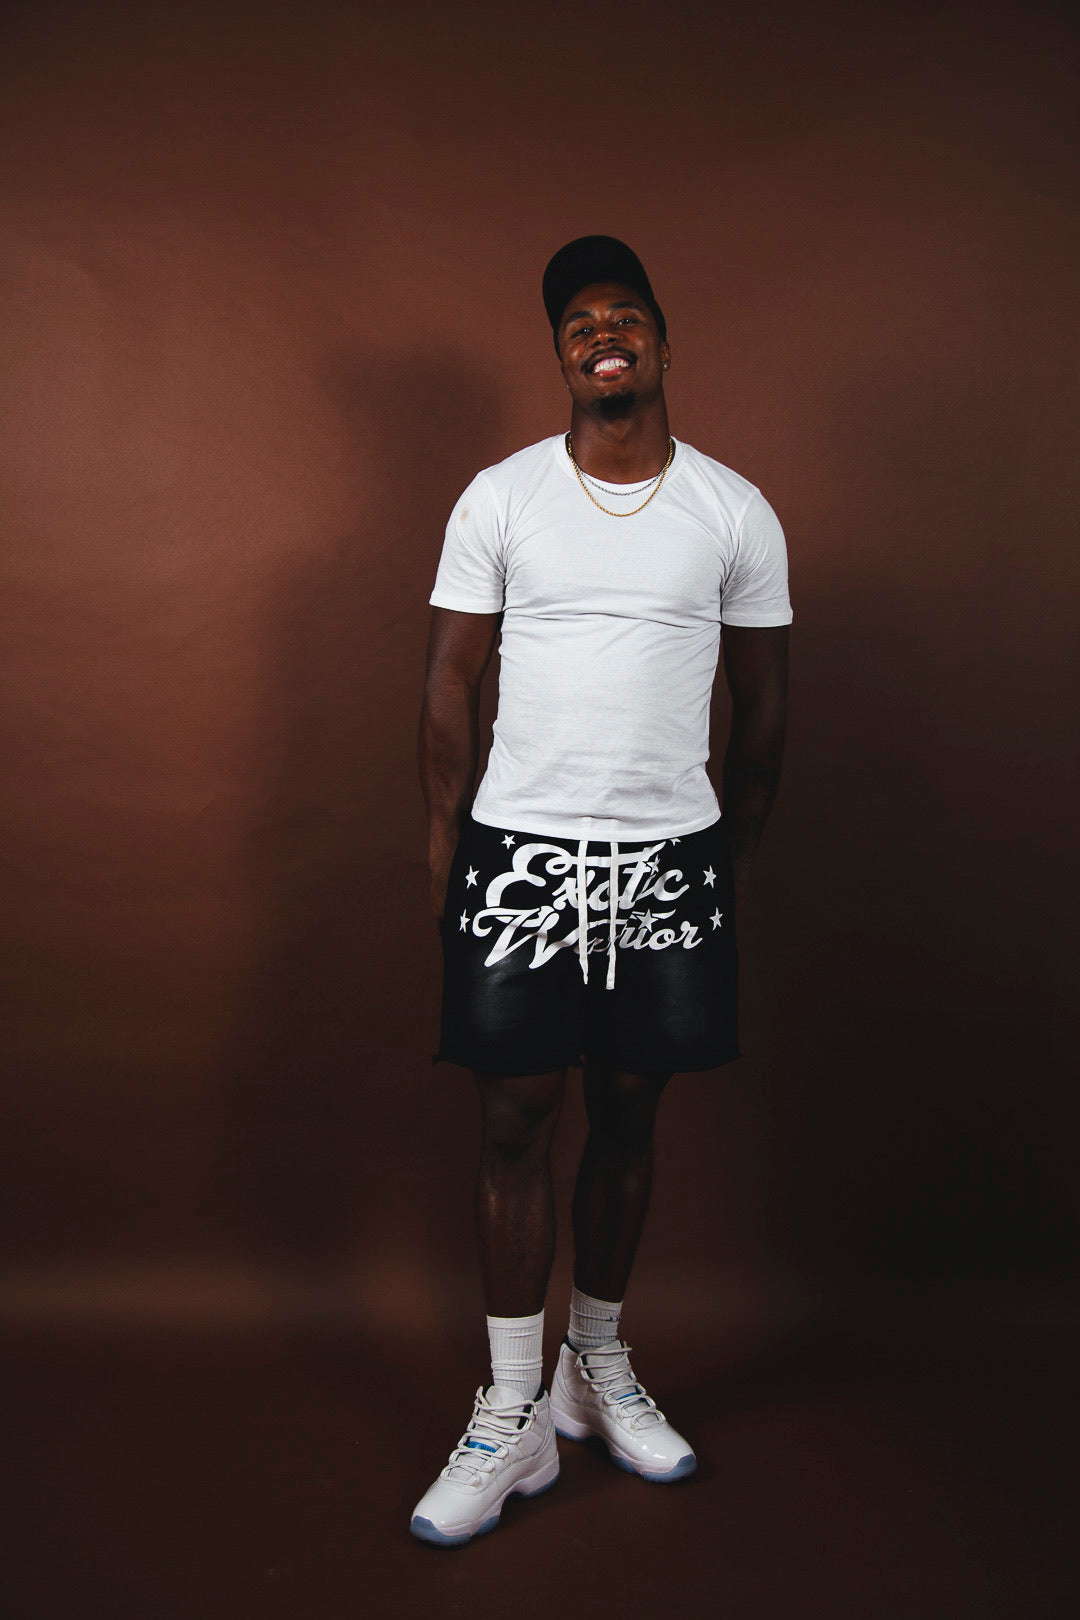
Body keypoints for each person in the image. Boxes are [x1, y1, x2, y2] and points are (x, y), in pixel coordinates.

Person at [412, 236, 791, 1546]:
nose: (602, 334)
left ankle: (597, 1365)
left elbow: (765, 706)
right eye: (578, 323)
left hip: (670, 862)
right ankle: (512, 1410)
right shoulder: (501, 497)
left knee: (631, 1113)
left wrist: (725, 862)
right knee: (515, 1119)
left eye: (624, 315)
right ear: (561, 357)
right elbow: (449, 679)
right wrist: (446, 849)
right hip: (520, 856)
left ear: (664, 343)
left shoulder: (733, 510)